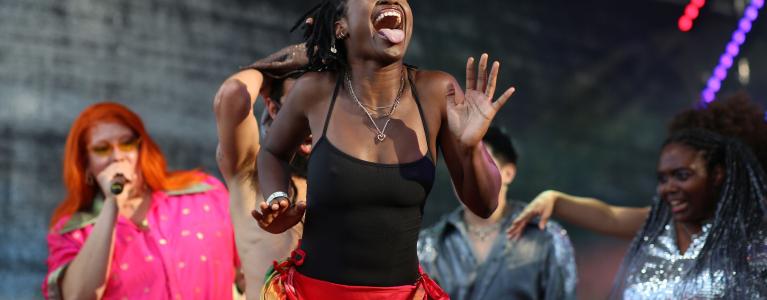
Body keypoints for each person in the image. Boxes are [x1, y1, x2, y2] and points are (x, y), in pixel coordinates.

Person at [254, 0, 516, 298]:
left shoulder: (436, 92)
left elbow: (485, 205)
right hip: (313, 292)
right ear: (342, 27)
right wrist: (278, 199)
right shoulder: (314, 91)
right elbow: (272, 152)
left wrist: (470, 149)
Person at [509, 129, 767, 298]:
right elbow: (609, 216)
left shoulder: (748, 238)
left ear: (718, 175)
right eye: (663, 179)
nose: (669, 188)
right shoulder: (658, 226)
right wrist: (555, 199)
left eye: (682, 176)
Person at [43, 102, 240, 299]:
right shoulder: (73, 233)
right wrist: (112, 203)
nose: (117, 157)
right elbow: (77, 296)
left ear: (142, 148)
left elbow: (252, 263)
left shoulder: (203, 194)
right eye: (102, 149)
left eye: (126, 143)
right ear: (86, 165)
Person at [418, 127, 577, 300]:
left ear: (508, 173)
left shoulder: (546, 238)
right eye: (457, 167)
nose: (467, 175)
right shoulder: (430, 244)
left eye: (480, 164)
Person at [213, 43, 311, 295]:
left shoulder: (351, 174)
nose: (308, 120)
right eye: (295, 107)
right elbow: (233, 93)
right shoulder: (249, 170)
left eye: (318, 105)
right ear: (273, 108)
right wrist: (271, 70)